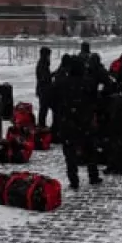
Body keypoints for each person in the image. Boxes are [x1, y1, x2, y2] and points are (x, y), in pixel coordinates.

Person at [54, 57, 103, 190]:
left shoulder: (62, 83)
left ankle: (73, 180)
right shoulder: (88, 82)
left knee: (70, 154)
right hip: (85, 121)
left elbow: (55, 101)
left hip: (67, 122)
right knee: (90, 150)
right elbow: (96, 101)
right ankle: (93, 176)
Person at [36, 47, 53, 128]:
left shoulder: (44, 63)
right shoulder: (42, 64)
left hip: (43, 89)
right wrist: (53, 75)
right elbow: (44, 78)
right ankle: (41, 125)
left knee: (44, 108)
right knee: (43, 108)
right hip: (43, 90)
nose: (49, 57)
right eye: (48, 55)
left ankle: (42, 124)